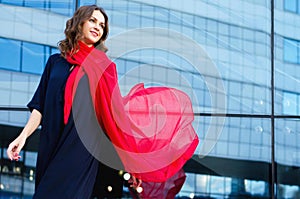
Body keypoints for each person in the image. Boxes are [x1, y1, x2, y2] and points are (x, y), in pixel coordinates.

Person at [7, 4, 199, 199]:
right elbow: (39, 106)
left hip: (81, 148)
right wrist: (22, 138)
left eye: (102, 25)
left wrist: (131, 164)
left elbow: (115, 117)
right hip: (51, 141)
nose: (98, 26)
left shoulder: (105, 67)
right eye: (92, 20)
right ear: (79, 23)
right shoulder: (55, 62)